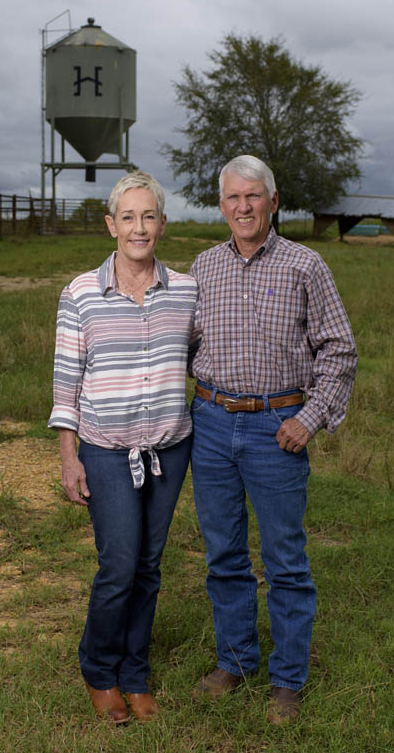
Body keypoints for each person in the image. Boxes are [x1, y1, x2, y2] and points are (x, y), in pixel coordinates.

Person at [188, 155, 357, 724]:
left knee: (285, 559)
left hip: (275, 429)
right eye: (233, 198)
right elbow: (183, 344)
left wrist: (308, 420)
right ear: (221, 206)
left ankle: (287, 680)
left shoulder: (306, 265)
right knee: (224, 553)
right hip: (211, 423)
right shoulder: (203, 267)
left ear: (273, 201)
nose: (243, 207)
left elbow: (339, 350)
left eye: (253, 197)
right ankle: (234, 662)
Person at [48, 171, 197, 724]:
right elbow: (67, 381)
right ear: (111, 225)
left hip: (169, 447)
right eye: (128, 217)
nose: (139, 227)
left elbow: (199, 354)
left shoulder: (185, 291)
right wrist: (69, 457)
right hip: (107, 449)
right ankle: (99, 667)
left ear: (162, 224)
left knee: (150, 566)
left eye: (149, 216)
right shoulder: (81, 293)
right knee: (119, 565)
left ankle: (135, 672)